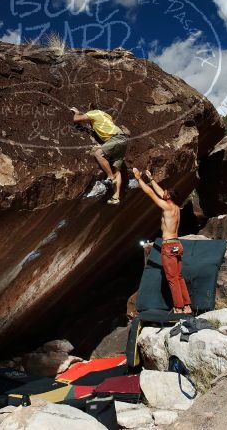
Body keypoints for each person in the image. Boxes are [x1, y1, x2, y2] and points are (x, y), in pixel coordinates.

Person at [132, 167, 193, 314]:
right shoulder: (176, 208)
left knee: (171, 278)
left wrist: (138, 178)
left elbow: (151, 194)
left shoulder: (166, 207)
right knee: (178, 277)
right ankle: (187, 306)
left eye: (165, 192)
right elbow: (159, 192)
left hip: (169, 245)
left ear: (168, 196)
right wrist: (151, 179)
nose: (163, 192)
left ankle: (178, 308)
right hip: (177, 245)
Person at [71, 106, 128, 205]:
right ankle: (116, 196)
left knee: (98, 153)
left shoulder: (94, 113)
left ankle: (110, 178)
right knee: (117, 170)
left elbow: (77, 119)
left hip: (115, 139)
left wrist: (77, 112)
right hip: (122, 139)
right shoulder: (106, 116)